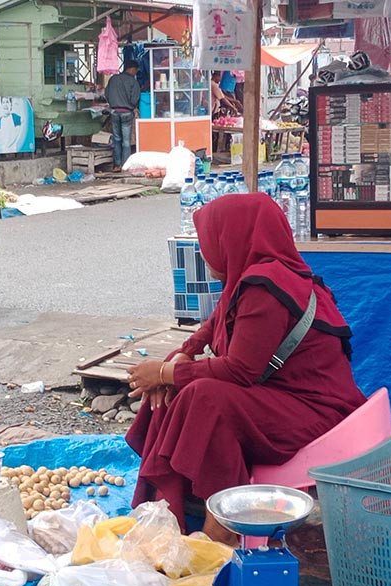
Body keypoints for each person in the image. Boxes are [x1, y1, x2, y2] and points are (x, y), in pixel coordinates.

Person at [124, 194, 365, 546]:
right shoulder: (253, 276)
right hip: (283, 397)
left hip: (318, 412)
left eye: (208, 240)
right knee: (182, 385)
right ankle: (173, 505)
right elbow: (210, 328)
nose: (204, 251)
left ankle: (223, 525)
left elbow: (240, 371)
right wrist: (179, 358)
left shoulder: (266, 286)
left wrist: (163, 374)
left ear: (230, 237)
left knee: (206, 398)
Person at [104, 60, 140, 171]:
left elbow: (106, 94)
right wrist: (131, 106)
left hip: (114, 112)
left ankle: (117, 165)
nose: (135, 73)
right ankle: (125, 165)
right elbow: (134, 99)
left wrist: (113, 103)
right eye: (136, 71)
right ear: (132, 69)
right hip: (127, 112)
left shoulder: (113, 79)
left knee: (117, 139)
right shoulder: (133, 82)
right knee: (126, 141)